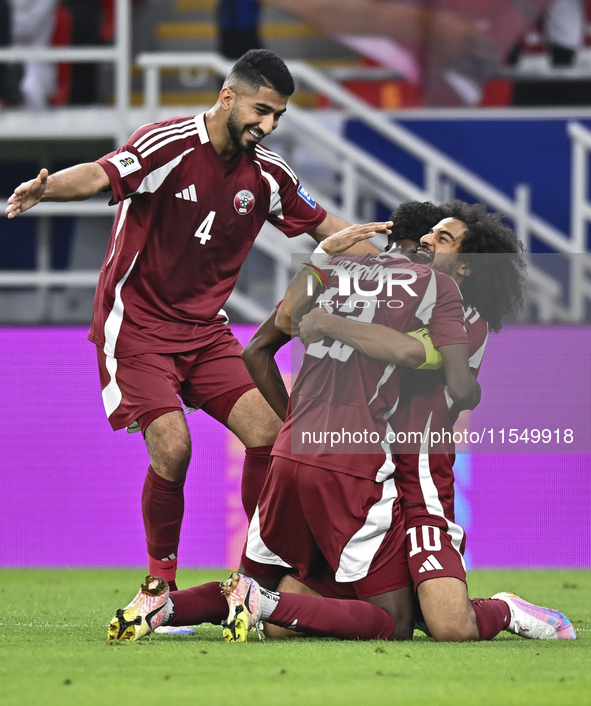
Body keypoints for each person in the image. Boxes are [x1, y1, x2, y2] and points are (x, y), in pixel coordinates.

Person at [5, 49, 389, 592]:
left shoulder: (268, 173)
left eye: (278, 116)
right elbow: (100, 174)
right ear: (228, 96)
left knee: (270, 433)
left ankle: (259, 577)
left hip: (205, 332)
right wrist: (47, 188)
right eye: (261, 110)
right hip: (136, 327)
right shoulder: (168, 144)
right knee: (174, 445)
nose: (268, 124)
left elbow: (328, 227)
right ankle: (159, 588)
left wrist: (396, 270)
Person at [105, 201, 575, 643]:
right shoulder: (390, 286)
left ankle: (506, 609)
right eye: (428, 236)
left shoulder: (463, 315)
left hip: (420, 480)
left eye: (444, 239)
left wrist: (328, 280)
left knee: (447, 623)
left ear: (469, 265)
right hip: (367, 466)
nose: (429, 244)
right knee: (349, 618)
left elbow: (419, 358)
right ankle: (177, 605)